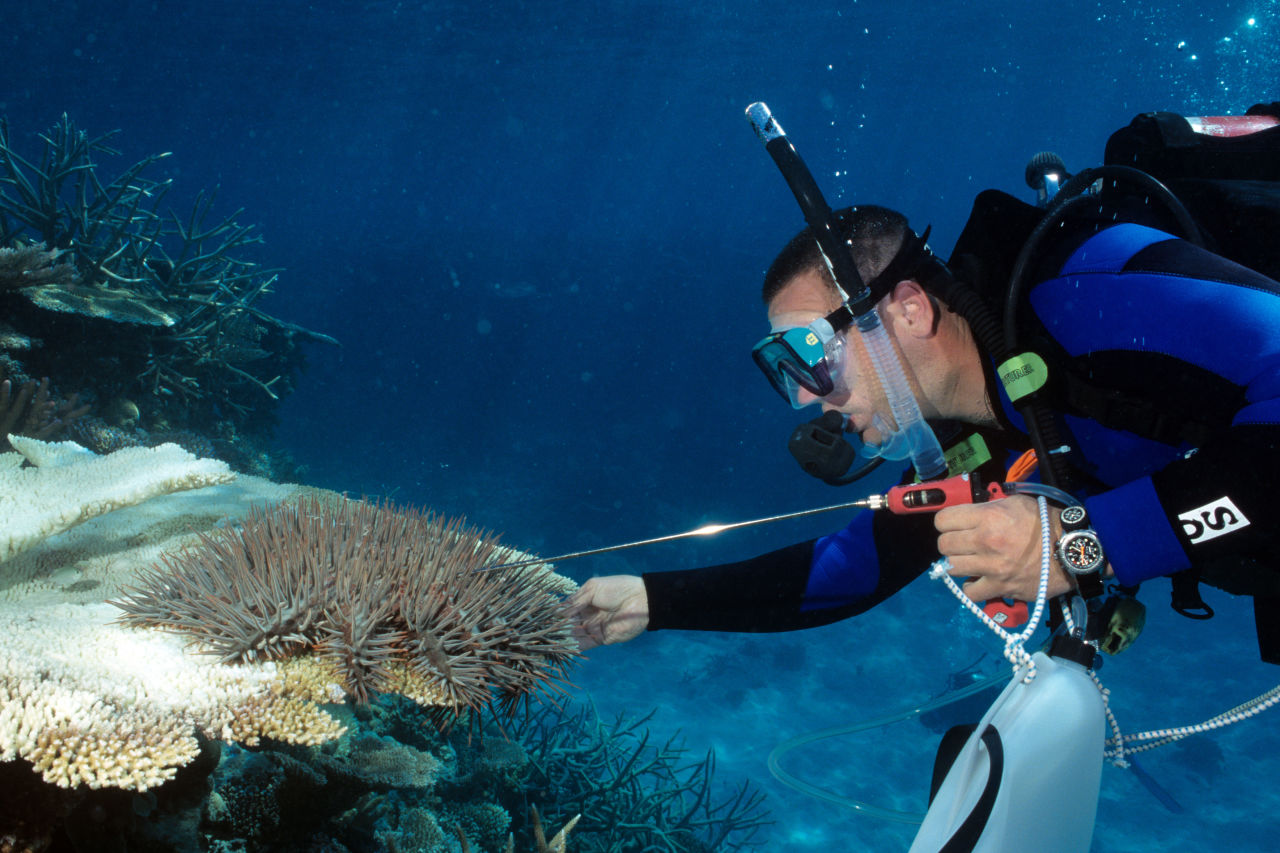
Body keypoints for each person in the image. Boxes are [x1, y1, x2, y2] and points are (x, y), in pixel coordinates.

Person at [566, 198, 1280, 660]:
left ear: (907, 309)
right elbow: (850, 570)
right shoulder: (981, 427)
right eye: (784, 372)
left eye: (811, 355)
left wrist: (1087, 543)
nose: (812, 399)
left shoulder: (1084, 297)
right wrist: (654, 600)